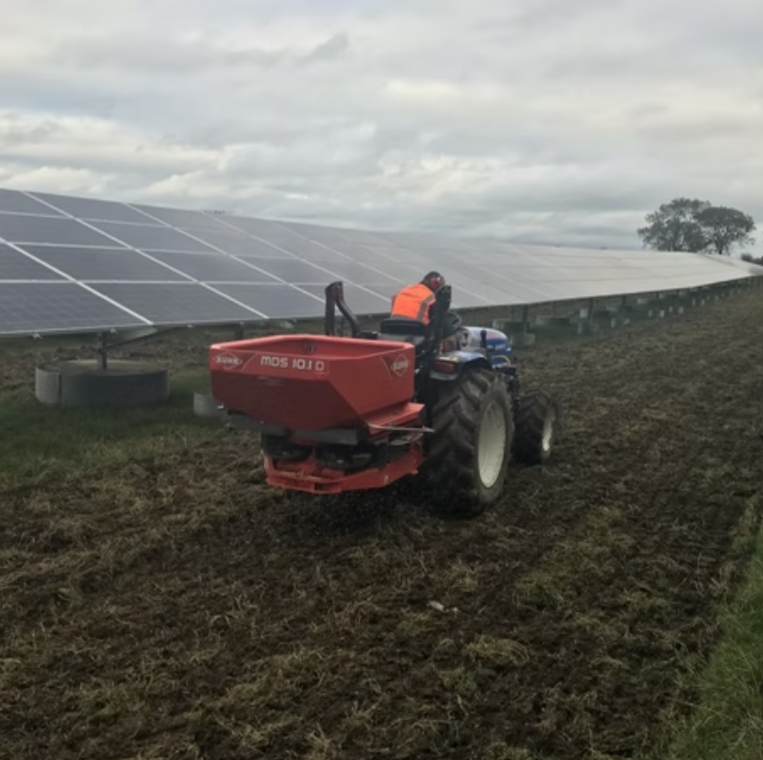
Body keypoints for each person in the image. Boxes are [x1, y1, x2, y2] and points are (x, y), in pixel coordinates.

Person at [389, 271, 460, 351]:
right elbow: (449, 341)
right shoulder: (432, 299)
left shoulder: (401, 292)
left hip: (392, 341)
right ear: (435, 283)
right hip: (418, 346)